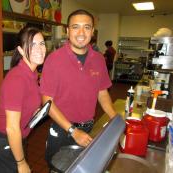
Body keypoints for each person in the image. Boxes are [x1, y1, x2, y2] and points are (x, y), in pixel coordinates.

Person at [40, 9, 117, 168]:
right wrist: (73, 131)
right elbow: (47, 101)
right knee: (58, 168)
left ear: (92, 31)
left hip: (88, 126)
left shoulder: (99, 59)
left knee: (83, 167)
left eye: (86, 27)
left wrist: (114, 118)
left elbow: (102, 93)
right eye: (75, 27)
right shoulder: (54, 60)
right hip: (63, 129)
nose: (81, 32)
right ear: (68, 31)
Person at [0, 26, 46, 173]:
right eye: (32, 44)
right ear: (21, 50)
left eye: (42, 43)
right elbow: (11, 128)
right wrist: (21, 162)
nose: (39, 48)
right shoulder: (17, 78)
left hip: (16, 139)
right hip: (3, 141)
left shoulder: (32, 73)